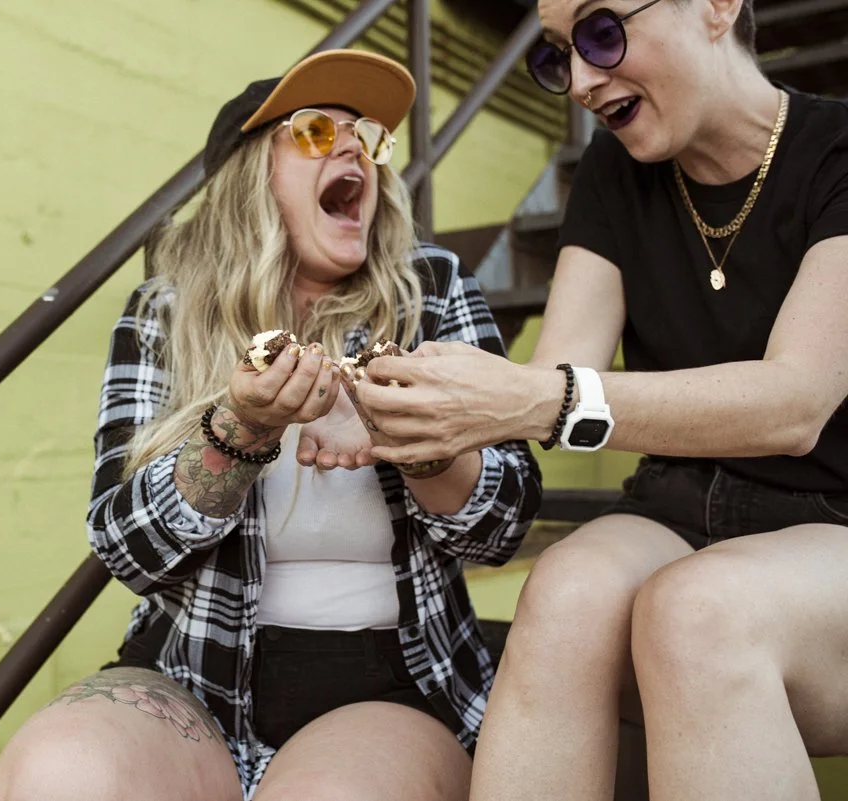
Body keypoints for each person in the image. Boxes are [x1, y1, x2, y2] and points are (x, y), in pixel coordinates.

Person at [0, 49, 542, 801]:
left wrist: (405, 436)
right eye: (315, 132)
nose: (354, 151)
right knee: (56, 776)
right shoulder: (165, 314)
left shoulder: (431, 289)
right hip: (192, 671)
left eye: (367, 138)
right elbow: (127, 550)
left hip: (388, 681)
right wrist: (239, 431)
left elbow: (503, 526)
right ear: (250, 177)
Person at [348, 1, 848, 800]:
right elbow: (555, 379)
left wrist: (533, 397)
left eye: (602, 32)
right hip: (678, 505)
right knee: (563, 589)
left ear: (718, 6)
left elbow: (795, 404)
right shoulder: (614, 172)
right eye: (557, 54)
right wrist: (419, 415)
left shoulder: (837, 150)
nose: (580, 80)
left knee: (696, 610)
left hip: (834, 520)